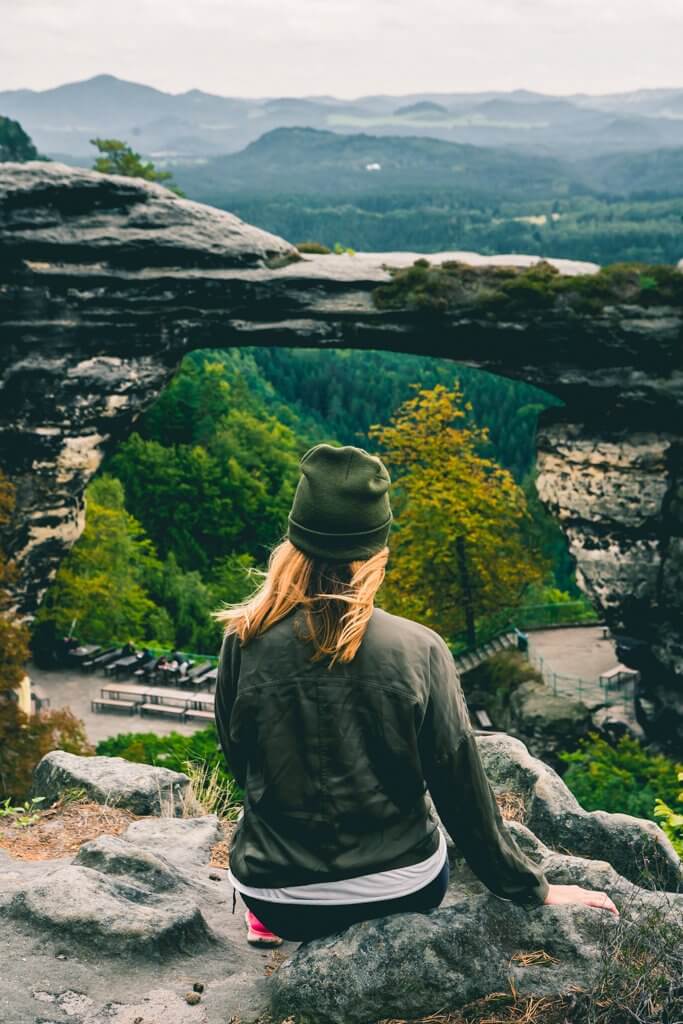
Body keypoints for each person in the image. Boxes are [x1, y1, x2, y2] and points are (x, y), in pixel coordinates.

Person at [214, 444, 618, 946]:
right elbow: (459, 787)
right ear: (376, 553)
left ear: (294, 544)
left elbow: (241, 758)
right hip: (400, 889)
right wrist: (530, 887)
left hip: (278, 898)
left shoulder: (244, 640)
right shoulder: (421, 648)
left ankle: (265, 922)